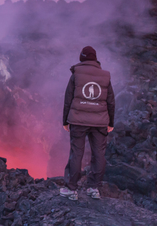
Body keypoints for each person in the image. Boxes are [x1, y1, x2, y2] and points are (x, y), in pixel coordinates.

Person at [60, 46, 115, 201]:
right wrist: (110, 122)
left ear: (82, 58)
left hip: (78, 120)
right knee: (99, 154)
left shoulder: (76, 73)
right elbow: (111, 101)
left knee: (77, 153)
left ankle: (71, 189)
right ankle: (93, 188)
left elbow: (68, 99)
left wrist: (65, 121)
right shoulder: (105, 76)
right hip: (100, 122)